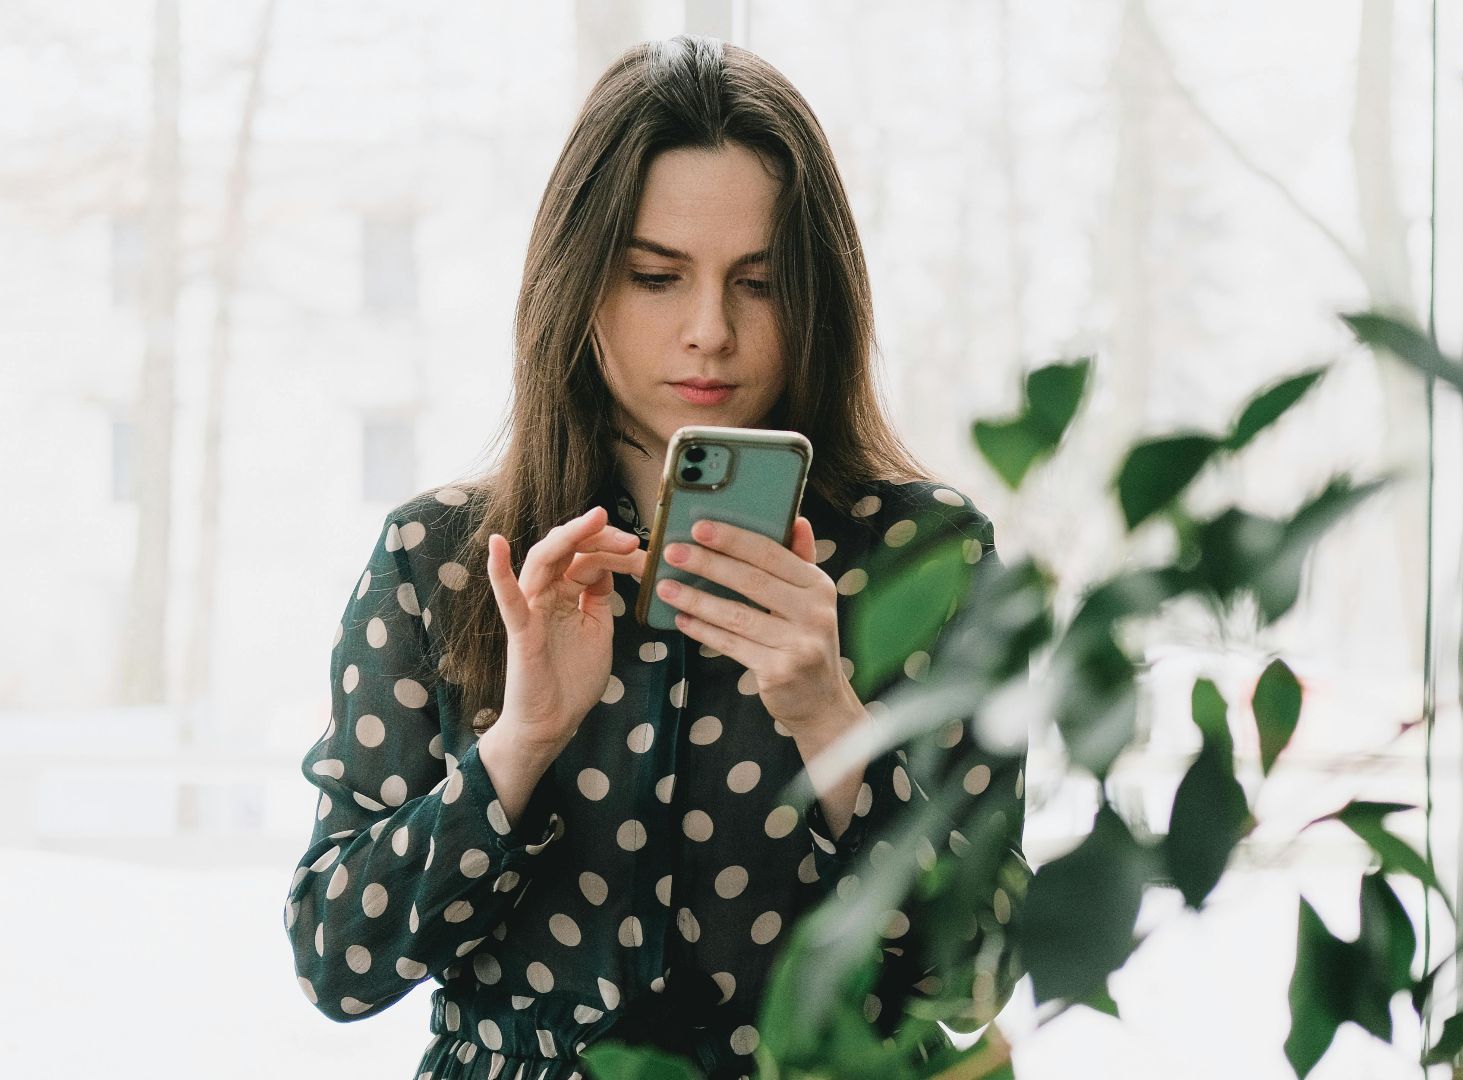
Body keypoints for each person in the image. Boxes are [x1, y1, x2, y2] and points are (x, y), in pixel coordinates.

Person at [283, 35, 1028, 1080]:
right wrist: (524, 741)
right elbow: (335, 963)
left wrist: (830, 720)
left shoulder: (925, 555)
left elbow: (980, 970)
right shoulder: (439, 560)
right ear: (580, 284)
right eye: (655, 277)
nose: (709, 332)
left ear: (817, 297)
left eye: (759, 283)